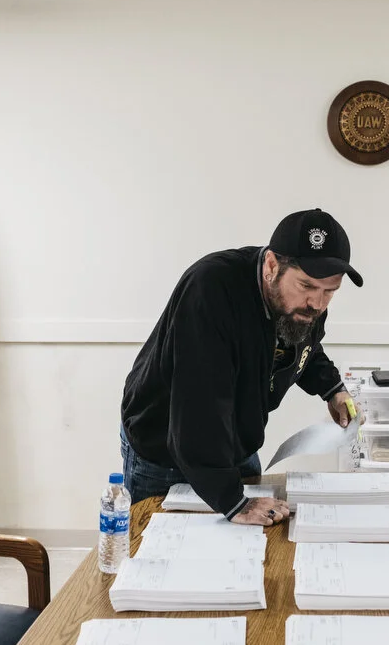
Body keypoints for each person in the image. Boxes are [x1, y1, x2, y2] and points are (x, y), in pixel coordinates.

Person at [120, 208, 362, 526]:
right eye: (306, 286)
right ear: (272, 266)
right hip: (165, 448)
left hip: (233, 443)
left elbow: (303, 345)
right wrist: (234, 502)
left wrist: (332, 388)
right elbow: (199, 406)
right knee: (158, 557)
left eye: (330, 291)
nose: (317, 303)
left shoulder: (304, 305)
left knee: (245, 558)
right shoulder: (211, 289)